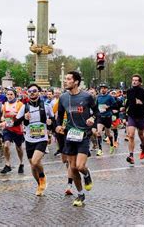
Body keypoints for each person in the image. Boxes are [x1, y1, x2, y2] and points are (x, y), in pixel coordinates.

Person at [56, 71, 97, 207]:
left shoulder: (87, 96)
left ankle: (86, 174)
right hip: (70, 135)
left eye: (68, 79)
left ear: (76, 82)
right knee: (73, 168)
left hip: (84, 135)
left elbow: (96, 112)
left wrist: (92, 119)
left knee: (80, 166)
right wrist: (58, 126)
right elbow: (60, 115)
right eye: (65, 79)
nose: (65, 81)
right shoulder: (62, 98)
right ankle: (80, 194)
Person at [15, 83, 54, 196]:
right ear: (27, 93)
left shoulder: (46, 105)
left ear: (39, 92)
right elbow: (16, 122)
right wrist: (24, 117)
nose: (32, 93)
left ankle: (42, 177)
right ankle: (39, 184)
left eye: (34, 91)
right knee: (32, 165)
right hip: (29, 139)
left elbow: (52, 119)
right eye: (30, 91)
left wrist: (50, 124)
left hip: (42, 138)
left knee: (35, 161)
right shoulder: (24, 107)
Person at [124, 74, 144, 165]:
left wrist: (141, 102)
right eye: (133, 80)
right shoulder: (129, 91)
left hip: (141, 116)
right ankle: (131, 156)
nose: (134, 82)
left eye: (136, 80)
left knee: (141, 135)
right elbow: (128, 101)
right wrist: (124, 109)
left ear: (140, 82)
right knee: (131, 135)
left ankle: (143, 146)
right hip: (131, 115)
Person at [0, 88, 25, 174]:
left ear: (15, 95)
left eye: (11, 94)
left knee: (19, 147)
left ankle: (21, 163)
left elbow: (23, 116)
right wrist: (3, 119)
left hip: (17, 129)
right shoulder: (5, 104)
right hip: (8, 128)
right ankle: (7, 164)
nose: (9, 96)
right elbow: (3, 116)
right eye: (8, 94)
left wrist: (15, 115)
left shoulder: (20, 104)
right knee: (6, 145)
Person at [96, 84, 116, 156]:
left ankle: (111, 144)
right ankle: (100, 149)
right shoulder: (98, 97)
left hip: (107, 117)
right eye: (101, 88)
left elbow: (115, 105)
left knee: (108, 134)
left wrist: (108, 107)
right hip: (100, 117)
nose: (103, 89)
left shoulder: (110, 97)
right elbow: (96, 106)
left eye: (104, 88)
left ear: (107, 89)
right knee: (98, 132)